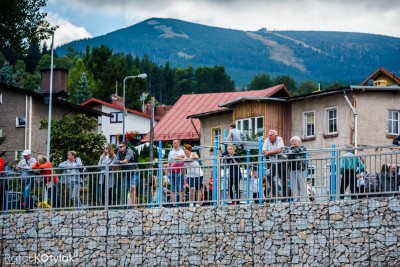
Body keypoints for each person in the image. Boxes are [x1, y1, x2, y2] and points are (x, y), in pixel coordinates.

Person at [262, 130, 288, 201]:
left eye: (271, 135)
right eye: (269, 135)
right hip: (274, 163)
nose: (269, 136)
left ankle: (284, 198)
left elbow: (279, 150)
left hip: (282, 162)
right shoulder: (267, 140)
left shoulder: (279, 139)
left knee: (283, 181)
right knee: (269, 176)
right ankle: (273, 192)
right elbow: (263, 151)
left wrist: (269, 152)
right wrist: (271, 152)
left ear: (275, 136)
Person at [115, 142, 139, 207]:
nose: (119, 148)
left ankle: (135, 207)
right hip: (126, 173)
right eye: (119, 147)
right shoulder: (118, 152)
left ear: (125, 147)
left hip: (134, 172)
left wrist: (119, 162)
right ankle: (134, 206)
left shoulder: (129, 151)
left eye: (121, 147)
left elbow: (126, 161)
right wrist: (120, 162)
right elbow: (115, 161)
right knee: (130, 190)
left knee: (133, 188)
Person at [287, 136, 308, 202]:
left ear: (299, 142)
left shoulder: (302, 148)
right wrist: (291, 152)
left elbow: (299, 150)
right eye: (292, 141)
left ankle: (304, 199)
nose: (294, 143)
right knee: (294, 184)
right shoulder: (289, 148)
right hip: (292, 168)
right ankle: (296, 199)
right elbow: (286, 152)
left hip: (301, 168)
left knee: (302, 183)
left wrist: (292, 152)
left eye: (295, 141)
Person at [166, 139, 185, 206]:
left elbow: (184, 162)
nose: (174, 144)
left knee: (180, 187)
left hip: (179, 171)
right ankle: (173, 203)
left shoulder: (182, 151)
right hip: (172, 171)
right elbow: (169, 162)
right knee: (173, 188)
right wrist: (168, 171)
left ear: (179, 143)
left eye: (175, 143)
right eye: (173, 143)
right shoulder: (171, 152)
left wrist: (182, 171)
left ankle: (180, 202)